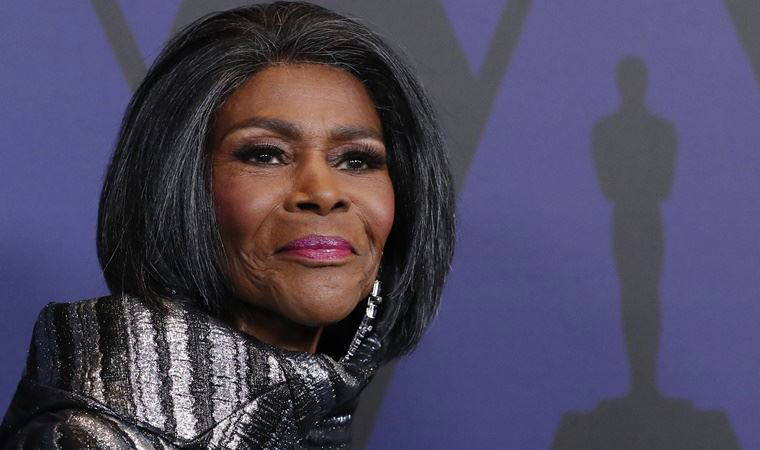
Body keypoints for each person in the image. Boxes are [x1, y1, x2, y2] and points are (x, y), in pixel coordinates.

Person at [0, 2, 455, 448]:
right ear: (177, 186)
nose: (323, 192)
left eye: (356, 160)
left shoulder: (311, 417)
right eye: (265, 155)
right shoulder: (86, 439)